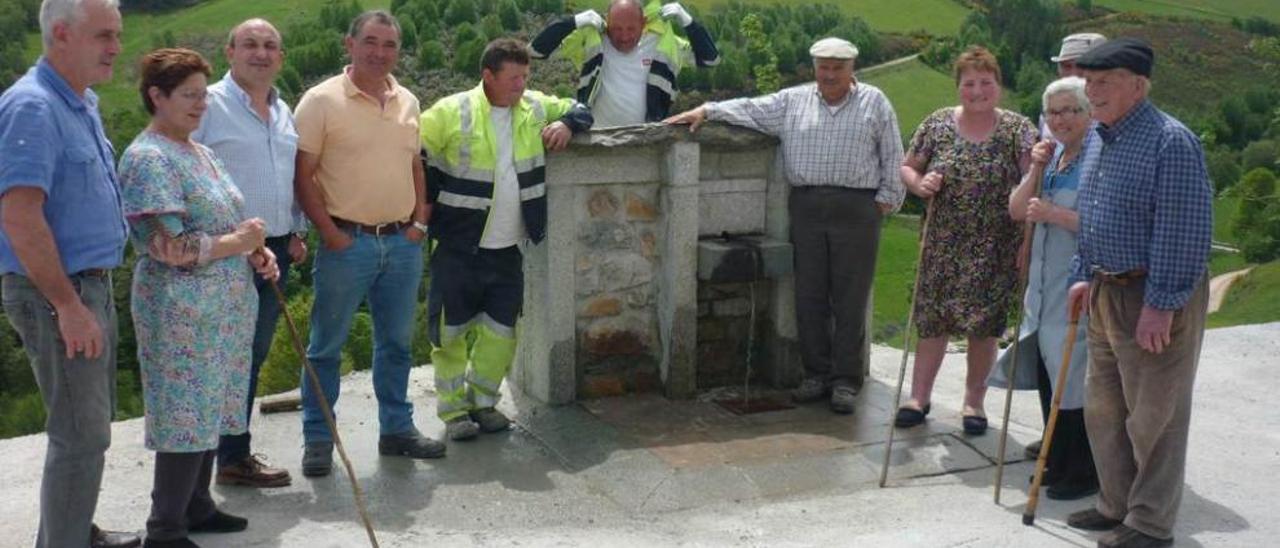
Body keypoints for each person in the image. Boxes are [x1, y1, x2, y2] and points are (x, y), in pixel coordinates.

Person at [663, 37, 905, 415]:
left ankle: (845, 381)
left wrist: (887, 199)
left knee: (850, 298)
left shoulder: (874, 102)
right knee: (808, 295)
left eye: (837, 68)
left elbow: (892, 152)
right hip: (807, 205)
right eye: (823, 67)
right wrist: (707, 110)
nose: (829, 75)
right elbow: (750, 109)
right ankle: (816, 375)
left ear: (851, 68)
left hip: (857, 208)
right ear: (814, 68)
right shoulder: (793, 101)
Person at [118, 48, 279, 548]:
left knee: (212, 405)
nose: (199, 105)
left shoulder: (198, 151)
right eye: (188, 96)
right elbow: (168, 247)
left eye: (202, 95)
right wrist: (240, 244)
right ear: (157, 97)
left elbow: (224, 223)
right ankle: (164, 528)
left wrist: (257, 253)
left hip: (223, 308)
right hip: (181, 312)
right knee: (185, 410)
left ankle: (198, 506)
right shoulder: (148, 158)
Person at [1064, 37, 1212, 548]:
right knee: (1104, 409)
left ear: (1138, 85)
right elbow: (1094, 214)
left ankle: (1150, 525)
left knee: (1155, 417)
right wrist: (1083, 272)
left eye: (1104, 82)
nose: (1092, 92)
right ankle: (1116, 504)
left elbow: (1183, 230)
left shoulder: (1171, 142)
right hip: (1106, 289)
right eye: (1089, 82)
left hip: (1151, 295)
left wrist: (1161, 304)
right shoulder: (1102, 136)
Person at [0, 1, 139, 546]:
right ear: (61, 33)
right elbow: (18, 214)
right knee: (79, 438)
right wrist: (68, 306)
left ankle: (75, 530)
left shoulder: (81, 103)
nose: (116, 46)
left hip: (87, 289)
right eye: (105, 35)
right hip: (59, 295)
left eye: (119, 34)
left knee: (91, 434)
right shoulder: (32, 107)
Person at [420, 38, 593, 440]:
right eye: (513, 78)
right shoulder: (452, 111)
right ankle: (453, 413)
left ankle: (483, 403)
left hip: (508, 249)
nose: (521, 86)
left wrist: (567, 124)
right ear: (488, 76)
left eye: (525, 77)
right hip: (458, 247)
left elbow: (581, 108)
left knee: (501, 333)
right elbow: (411, 150)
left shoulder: (533, 106)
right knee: (450, 334)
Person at [293, 10, 442, 477]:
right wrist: (330, 233)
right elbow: (302, 175)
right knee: (326, 346)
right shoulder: (320, 101)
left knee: (396, 344)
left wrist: (420, 221)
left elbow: (415, 164)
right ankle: (319, 439)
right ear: (349, 44)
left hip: (402, 242)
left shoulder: (408, 101)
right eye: (371, 42)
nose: (380, 53)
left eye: (390, 45)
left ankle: (396, 430)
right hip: (347, 242)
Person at [895, 45, 1036, 435]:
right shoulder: (937, 124)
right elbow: (907, 166)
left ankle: (974, 403)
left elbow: (1034, 182)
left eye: (985, 82)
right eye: (969, 83)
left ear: (999, 86)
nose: (977, 91)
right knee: (933, 322)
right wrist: (920, 185)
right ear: (958, 86)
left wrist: (1028, 240)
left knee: (983, 328)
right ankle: (918, 398)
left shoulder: (1018, 130)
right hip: (942, 243)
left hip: (995, 247)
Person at [191, 17, 301, 489]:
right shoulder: (208, 105)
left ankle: (232, 457)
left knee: (250, 357)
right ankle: (197, 471)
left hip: (271, 251)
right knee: (214, 359)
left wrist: (295, 231)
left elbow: (287, 175)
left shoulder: (283, 110)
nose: (261, 53)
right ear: (229, 51)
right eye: (250, 44)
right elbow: (186, 170)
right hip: (222, 254)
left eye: (270, 46)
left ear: (280, 56)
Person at [988, 76, 1099, 501]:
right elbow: (1017, 209)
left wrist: (1055, 214)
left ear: (1089, 113)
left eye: (1072, 110)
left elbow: (1106, 225)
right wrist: (1035, 167)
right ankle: (1055, 460)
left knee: (1074, 378)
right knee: (1051, 376)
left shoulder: (1096, 159)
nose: (1062, 119)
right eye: (1054, 112)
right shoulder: (1052, 160)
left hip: (1075, 289)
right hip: (1042, 291)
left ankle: (1082, 469)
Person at [531, 0, 719, 126]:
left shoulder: (661, 42)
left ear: (643, 23)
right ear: (607, 21)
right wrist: (574, 22)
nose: (624, 36)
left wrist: (688, 22)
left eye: (631, 28)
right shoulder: (593, 39)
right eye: (617, 28)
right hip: (596, 139)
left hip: (644, 141)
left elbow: (710, 60)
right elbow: (536, 52)